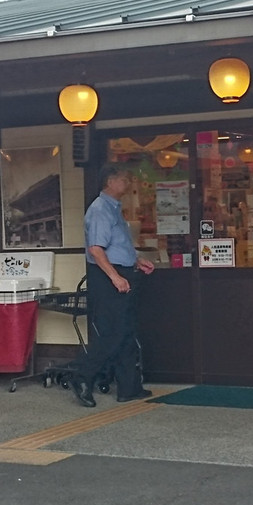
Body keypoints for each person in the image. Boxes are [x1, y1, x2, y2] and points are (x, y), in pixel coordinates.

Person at [70, 163, 155, 407]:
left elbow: (115, 246)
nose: (127, 184)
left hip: (121, 272)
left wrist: (136, 261)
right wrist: (115, 277)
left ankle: (129, 387)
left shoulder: (113, 209)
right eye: (123, 179)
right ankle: (82, 375)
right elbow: (96, 249)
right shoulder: (99, 210)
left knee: (126, 331)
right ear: (110, 181)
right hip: (107, 277)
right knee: (113, 332)